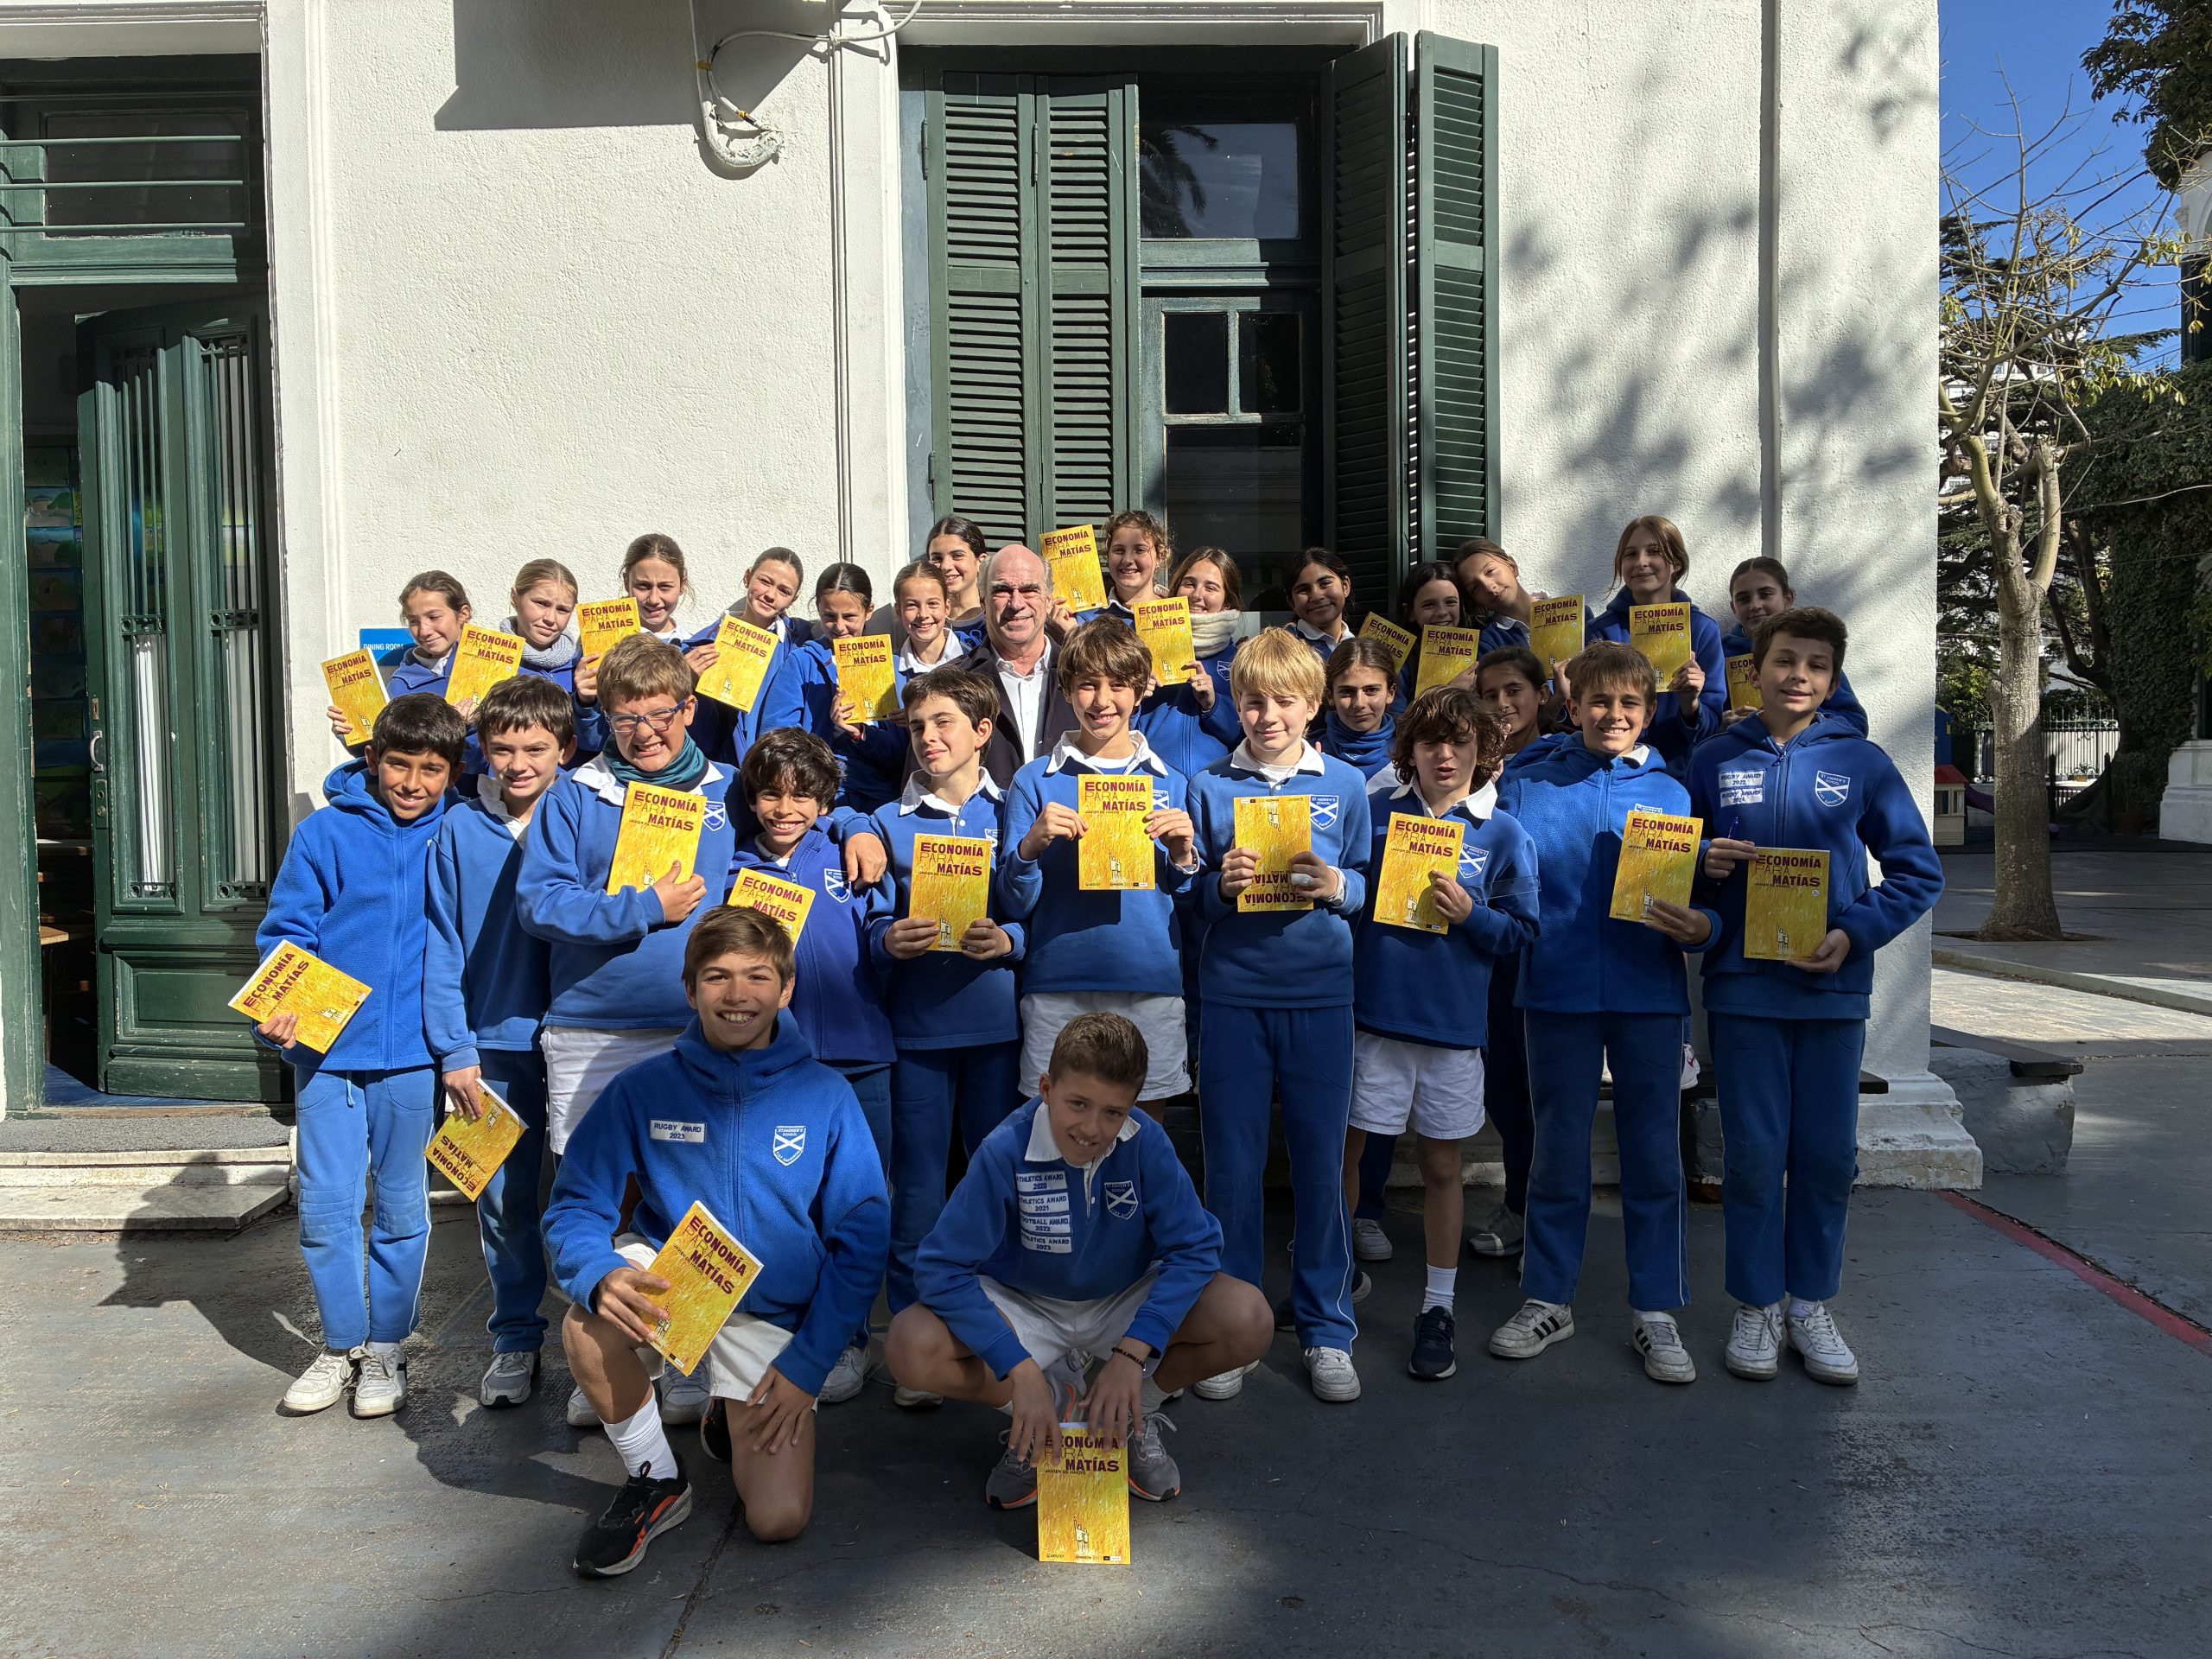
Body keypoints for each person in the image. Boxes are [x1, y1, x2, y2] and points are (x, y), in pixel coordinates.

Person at [544, 907, 890, 1577]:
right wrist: (598, 1271)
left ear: (786, 989)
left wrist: (808, 1366)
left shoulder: (826, 1094)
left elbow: (861, 1242)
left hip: (773, 1311)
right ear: (690, 989)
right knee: (588, 1326)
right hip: (678, 1284)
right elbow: (576, 1203)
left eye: (757, 977)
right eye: (717, 977)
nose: (737, 995)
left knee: (777, 1520)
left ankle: (726, 1410)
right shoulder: (642, 1088)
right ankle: (655, 1477)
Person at [1688, 607, 1942, 1385]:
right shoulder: (1712, 759)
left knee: (1828, 1157)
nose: (1798, 675)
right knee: (1754, 1156)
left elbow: (1917, 872)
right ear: (1756, 668)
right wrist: (1704, 864)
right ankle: (1757, 1304)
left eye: (1817, 665)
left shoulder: (1862, 761)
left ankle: (1810, 1303)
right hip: (1743, 991)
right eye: (1785, 660)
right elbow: (1673, 871)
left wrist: (1854, 933)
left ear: (1833, 680)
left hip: (1831, 989)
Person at [887, 1013, 1272, 1508]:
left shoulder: (1147, 1142)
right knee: (910, 1345)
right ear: (1046, 1089)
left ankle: (1131, 1413)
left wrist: (1133, 1356)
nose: (1091, 1128)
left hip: (1122, 1298)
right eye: (1077, 1104)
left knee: (1249, 1318)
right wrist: (1017, 1368)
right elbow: (941, 1268)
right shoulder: (1004, 1149)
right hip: (1025, 1303)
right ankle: (1040, 1412)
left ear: (1133, 1107)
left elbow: (1196, 1248)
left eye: (1113, 1112)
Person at [518, 632, 742, 1431]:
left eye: (660, 715)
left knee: (692, 1202)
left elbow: (797, 822)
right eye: (625, 719)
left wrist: (854, 824)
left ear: (690, 708)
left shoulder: (727, 788)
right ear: (605, 718)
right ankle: (615, 1362)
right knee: (598, 1201)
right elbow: (539, 902)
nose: (645, 733)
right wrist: (643, 909)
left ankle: (686, 1356)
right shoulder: (576, 795)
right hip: (593, 1026)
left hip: (695, 1028)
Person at [1488, 641, 1720, 1384]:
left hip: (1648, 993)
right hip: (1554, 990)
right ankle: (1548, 1297)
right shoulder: (1527, 782)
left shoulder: (1674, 792)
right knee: (1557, 1151)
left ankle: (1656, 1309)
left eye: (1628, 703)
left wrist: (1701, 924)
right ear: (1573, 705)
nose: (1612, 714)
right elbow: (1487, 862)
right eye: (1598, 701)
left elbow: (1704, 896)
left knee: (1653, 1155)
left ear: (1648, 712)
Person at [257, 693, 465, 1419]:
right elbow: (288, 933)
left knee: (403, 1206)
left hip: (412, 1060)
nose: (412, 783)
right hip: (326, 1058)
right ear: (372, 759)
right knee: (326, 1207)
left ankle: (386, 1347)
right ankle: (340, 1343)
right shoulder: (323, 833)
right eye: (399, 765)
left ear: (452, 772)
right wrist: (277, 1016)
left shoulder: (460, 832)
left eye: (431, 769)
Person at [1185, 628, 1374, 1404]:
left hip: (1321, 997)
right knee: (1231, 1170)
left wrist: (1337, 886)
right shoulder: (1207, 785)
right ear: (1236, 704)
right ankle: (1233, 1330)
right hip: (1234, 997)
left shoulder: (1347, 786)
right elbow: (1186, 896)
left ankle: (1327, 1327)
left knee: (1320, 1167)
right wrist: (1218, 888)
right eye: (1254, 702)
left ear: (1313, 705)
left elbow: (1367, 881)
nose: (1268, 717)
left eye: (1285, 702)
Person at [1347, 689, 1540, 1381]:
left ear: (1483, 751)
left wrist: (1471, 915)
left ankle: (1438, 1305)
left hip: (1454, 1031)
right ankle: (1332, 1281)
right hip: (1374, 1021)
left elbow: (1523, 933)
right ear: (1410, 750)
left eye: (1460, 742)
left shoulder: (1503, 833)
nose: (1446, 755)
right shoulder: (1376, 815)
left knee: (1441, 1168)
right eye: (1431, 742)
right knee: (1348, 1155)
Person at [865, 668, 1027, 1403]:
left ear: (982, 732)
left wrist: (1013, 941)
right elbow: (868, 919)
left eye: (943, 724)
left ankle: (1001, 1332)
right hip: (918, 1033)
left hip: (997, 1029)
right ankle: (916, 1335)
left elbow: (1038, 910)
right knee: (920, 1190)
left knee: (995, 1183)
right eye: (917, 727)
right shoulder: (885, 821)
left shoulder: (1014, 809)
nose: (928, 739)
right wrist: (887, 939)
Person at [728, 728, 897, 1405]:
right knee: (787, 1206)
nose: (785, 809)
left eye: (801, 796)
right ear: (752, 799)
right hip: (776, 1068)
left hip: (861, 1058)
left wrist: (894, 943)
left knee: (857, 1208)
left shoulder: (850, 851)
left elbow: (879, 932)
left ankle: (849, 1339)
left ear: (825, 801)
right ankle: (790, 1332)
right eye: (771, 795)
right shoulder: (735, 867)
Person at [425, 676, 573, 1408]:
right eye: (503, 749)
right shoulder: (458, 827)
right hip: (491, 1047)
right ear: (481, 748)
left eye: (535, 750)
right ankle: (515, 1339)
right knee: (503, 1203)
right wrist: (455, 1048)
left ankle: (599, 1349)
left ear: (564, 749)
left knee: (586, 1202)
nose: (518, 764)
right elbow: (441, 942)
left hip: (580, 1038)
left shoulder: (588, 812)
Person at [1000, 619, 1200, 1114]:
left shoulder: (1173, 782)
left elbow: (1189, 901)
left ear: (1142, 690)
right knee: (1054, 1128)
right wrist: (1030, 848)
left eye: (1118, 685)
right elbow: (1013, 901)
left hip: (1148, 980)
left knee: (1143, 1129)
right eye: (1088, 684)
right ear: (1067, 690)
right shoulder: (1034, 781)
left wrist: (1182, 856)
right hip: (1058, 982)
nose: (1102, 700)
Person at [1463, 646, 1557, 1262]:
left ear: (1542, 696)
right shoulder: (1467, 764)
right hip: (1483, 948)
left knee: (1538, 1089)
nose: (1502, 704)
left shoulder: (1562, 763)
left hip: (1543, 949)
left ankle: (1537, 1210)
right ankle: (1522, 1202)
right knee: (1503, 1087)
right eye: (1490, 694)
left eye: (1514, 691)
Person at [758, 564, 908, 813]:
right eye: (829, 616)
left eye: (849, 617)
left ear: (869, 611)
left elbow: (901, 754)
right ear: (818, 608)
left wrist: (861, 733)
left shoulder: (889, 665)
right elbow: (774, 739)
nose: (839, 627)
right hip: (819, 796)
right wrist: (828, 733)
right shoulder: (802, 662)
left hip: (882, 798)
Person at [1586, 515, 1726, 775]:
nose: (1641, 562)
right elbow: (1587, 715)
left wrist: (1691, 704)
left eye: (1654, 552)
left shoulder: (1703, 629)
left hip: (1680, 778)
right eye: (1630, 554)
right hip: (1614, 774)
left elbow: (1711, 728)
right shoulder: (1600, 631)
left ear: (1676, 563)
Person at [934, 545, 1077, 787]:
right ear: (983, 602)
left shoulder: (1085, 677)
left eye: (1029, 589)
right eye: (1002, 590)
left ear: (1048, 600)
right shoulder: (948, 685)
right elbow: (925, 787)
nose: (1016, 603)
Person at [682, 545, 812, 768]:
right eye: (765, 581)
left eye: (784, 591)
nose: (770, 595)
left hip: (780, 769)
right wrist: (686, 682)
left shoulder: (801, 644)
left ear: (794, 598)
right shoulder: (702, 646)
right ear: (748, 577)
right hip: (723, 770)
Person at [1720, 557, 1869, 735]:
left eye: (1766, 594)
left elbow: (1855, 723)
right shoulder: (1719, 655)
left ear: (1788, 598)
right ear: (1734, 608)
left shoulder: (1812, 650)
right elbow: (1699, 724)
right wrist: (1720, 727)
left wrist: (1802, 720)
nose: (1755, 605)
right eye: (1743, 599)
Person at [325, 571, 472, 747]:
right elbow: (386, 751)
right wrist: (351, 734)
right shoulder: (400, 685)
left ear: (463, 614)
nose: (424, 631)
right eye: (413, 621)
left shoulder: (492, 667)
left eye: (434, 617)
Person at [1456, 537, 1590, 663]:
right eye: (1475, 587)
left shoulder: (1577, 613)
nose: (1489, 587)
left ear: (1512, 566)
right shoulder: (1488, 641)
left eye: (1490, 571)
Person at [1172, 545, 1246, 751]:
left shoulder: (1241, 663)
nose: (1196, 595)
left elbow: (1250, 738)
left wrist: (1214, 705)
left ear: (1227, 602)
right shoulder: (1148, 651)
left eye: (1210, 588)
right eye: (1189, 584)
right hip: (1155, 771)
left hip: (1220, 771)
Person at [1319, 639, 1400, 782]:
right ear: (1330, 696)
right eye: (1347, 692)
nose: (1359, 703)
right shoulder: (1305, 755)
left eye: (1371, 690)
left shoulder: (1413, 756)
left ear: (1390, 693)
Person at [1394, 559, 1467, 706]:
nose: (1442, 612)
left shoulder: (1482, 649)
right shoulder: (1400, 663)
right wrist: (1451, 693)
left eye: (1450, 602)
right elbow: (1397, 716)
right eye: (1429, 605)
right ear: (1410, 612)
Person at [1280, 548, 1355, 667]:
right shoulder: (1279, 652)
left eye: (1325, 583)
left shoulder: (1360, 646)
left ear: (1345, 586)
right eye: (1304, 589)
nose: (1316, 596)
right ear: (1291, 602)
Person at [891, 559, 961, 675]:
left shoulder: (975, 659)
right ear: (899, 612)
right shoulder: (888, 670)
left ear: (947, 608)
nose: (923, 614)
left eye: (932, 604)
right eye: (912, 605)